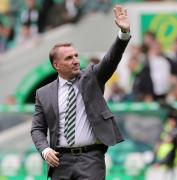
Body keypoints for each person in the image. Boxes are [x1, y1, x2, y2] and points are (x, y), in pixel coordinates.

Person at [31, 5, 131, 180]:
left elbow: (111, 58)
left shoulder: (92, 76)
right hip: (60, 162)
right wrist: (45, 150)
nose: (76, 61)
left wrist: (123, 34)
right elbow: (37, 129)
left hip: (90, 159)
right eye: (69, 58)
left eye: (76, 56)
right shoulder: (43, 93)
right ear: (56, 65)